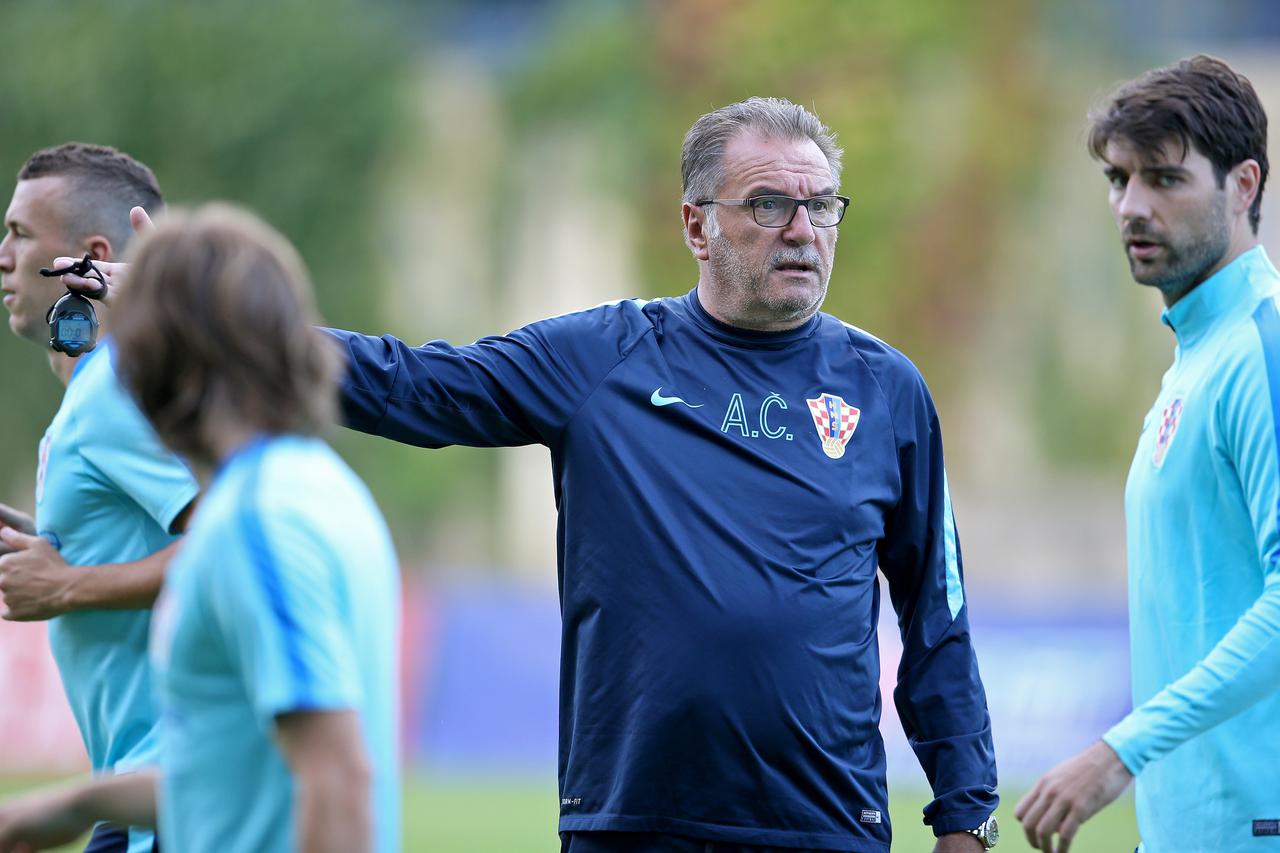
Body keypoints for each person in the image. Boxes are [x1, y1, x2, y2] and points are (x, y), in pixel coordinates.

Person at [330, 97, 999, 851]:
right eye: (771, 204)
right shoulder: (600, 359)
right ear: (695, 225)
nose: (803, 231)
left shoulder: (887, 389)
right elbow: (414, 384)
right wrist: (225, 322)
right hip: (635, 823)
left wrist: (966, 814)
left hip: (826, 825)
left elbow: (937, 615)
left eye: (820, 206)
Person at [0, 204, 402, 853]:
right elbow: (238, 777)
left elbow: (336, 775)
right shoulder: (321, 486)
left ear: (166, 360)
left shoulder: (255, 524)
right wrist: (79, 803)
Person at [1015, 55, 1280, 853]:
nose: (1132, 206)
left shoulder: (1261, 350)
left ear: (1244, 185)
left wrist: (1119, 749)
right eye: (1117, 178)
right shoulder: (1197, 358)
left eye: (1165, 179)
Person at [0, 143, 198, 853]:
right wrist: (44, 547)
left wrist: (68, 584)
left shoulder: (112, 391)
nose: (2, 254)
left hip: (175, 788)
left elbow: (233, 546)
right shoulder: (101, 389)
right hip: (139, 791)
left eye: (20, 233)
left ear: (90, 258)